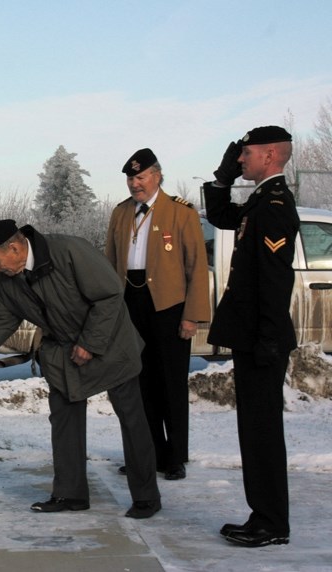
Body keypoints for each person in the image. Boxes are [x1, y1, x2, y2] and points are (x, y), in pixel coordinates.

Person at [0, 220, 161, 519]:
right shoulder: (8, 278)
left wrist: (90, 343)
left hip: (110, 344)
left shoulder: (70, 250)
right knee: (64, 421)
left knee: (132, 420)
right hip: (63, 353)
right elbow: (2, 321)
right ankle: (70, 494)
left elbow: (109, 296)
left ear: (14, 248)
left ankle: (146, 497)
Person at [202, 125, 298, 547]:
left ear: (271, 155)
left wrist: (268, 338)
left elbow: (275, 280)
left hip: (263, 337)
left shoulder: (275, 205)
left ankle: (272, 524)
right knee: (254, 430)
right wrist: (221, 182)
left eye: (246, 153)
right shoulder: (261, 200)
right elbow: (223, 218)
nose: (241, 159)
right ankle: (263, 515)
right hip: (254, 335)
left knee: (262, 432)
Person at [105, 149, 210, 481]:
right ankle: (147, 453)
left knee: (171, 383)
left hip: (168, 306)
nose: (135, 184)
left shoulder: (181, 212)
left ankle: (175, 456)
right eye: (130, 179)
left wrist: (192, 315)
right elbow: (110, 264)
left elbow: (196, 267)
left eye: (141, 177)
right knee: (139, 382)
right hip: (131, 303)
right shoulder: (121, 213)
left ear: (157, 176)